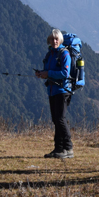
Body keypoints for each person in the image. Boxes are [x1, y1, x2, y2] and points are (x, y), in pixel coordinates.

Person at [36, 29, 74, 159]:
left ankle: (68, 148)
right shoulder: (50, 54)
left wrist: (48, 74)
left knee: (60, 119)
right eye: (52, 39)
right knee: (56, 120)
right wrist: (42, 73)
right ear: (49, 40)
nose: (54, 41)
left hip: (62, 91)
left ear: (60, 40)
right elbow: (49, 71)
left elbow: (65, 73)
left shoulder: (64, 54)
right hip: (52, 90)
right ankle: (58, 148)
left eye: (56, 39)